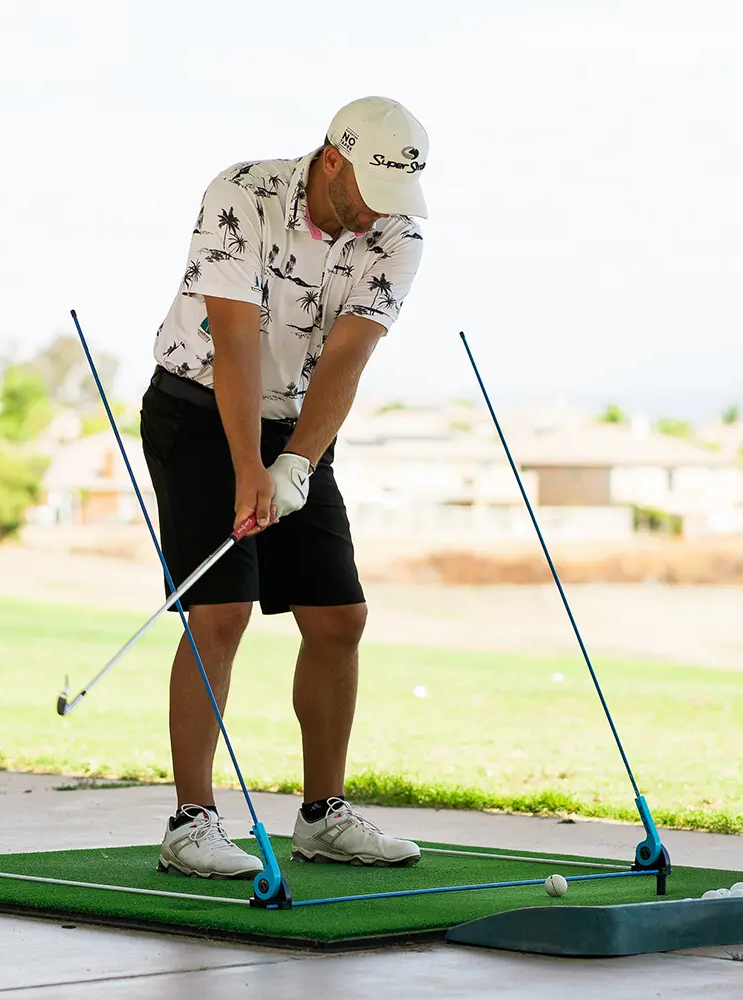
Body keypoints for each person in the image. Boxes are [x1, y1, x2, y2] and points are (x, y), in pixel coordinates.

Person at [141, 96, 429, 878]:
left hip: (299, 422)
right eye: (371, 190)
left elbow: (347, 358)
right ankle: (191, 823)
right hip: (198, 408)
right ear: (333, 159)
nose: (380, 212)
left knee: (339, 617)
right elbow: (234, 343)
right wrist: (248, 469)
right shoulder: (242, 192)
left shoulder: (398, 234)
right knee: (220, 611)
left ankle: (322, 817)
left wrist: (296, 463)